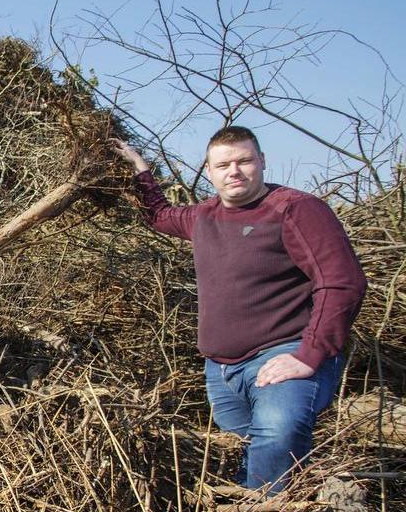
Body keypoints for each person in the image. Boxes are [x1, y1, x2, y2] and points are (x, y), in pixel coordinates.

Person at [113, 126, 366, 493]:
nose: (234, 171)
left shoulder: (294, 209)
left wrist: (310, 354)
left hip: (282, 354)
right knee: (249, 454)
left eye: (244, 161)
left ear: (261, 161)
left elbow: (341, 282)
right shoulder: (204, 216)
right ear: (209, 170)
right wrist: (140, 169)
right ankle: (278, 510)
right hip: (220, 370)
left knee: (276, 438)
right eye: (223, 165)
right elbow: (159, 215)